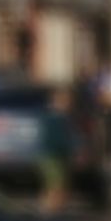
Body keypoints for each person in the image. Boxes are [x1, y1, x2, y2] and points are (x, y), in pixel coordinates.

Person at [39, 86, 75, 214]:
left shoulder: (61, 116)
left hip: (58, 155)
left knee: (57, 183)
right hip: (51, 155)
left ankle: (53, 208)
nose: (68, 104)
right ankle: (51, 210)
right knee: (55, 184)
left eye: (69, 101)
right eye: (65, 101)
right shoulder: (54, 117)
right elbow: (57, 138)